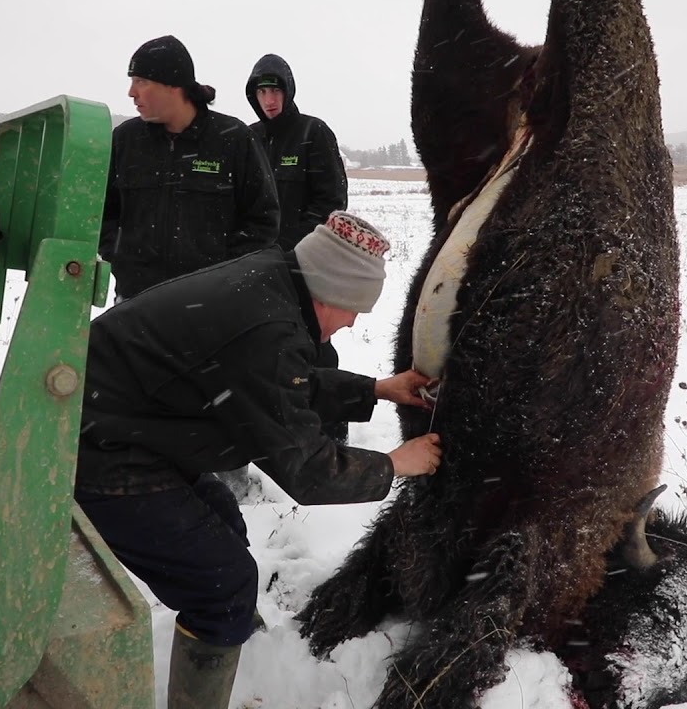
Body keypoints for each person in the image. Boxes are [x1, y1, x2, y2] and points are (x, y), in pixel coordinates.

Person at [75, 211, 441, 709]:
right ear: (330, 292)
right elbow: (307, 470)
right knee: (220, 584)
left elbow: (276, 387)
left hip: (131, 429)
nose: (354, 321)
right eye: (355, 309)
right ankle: (211, 665)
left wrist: (375, 389)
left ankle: (234, 643)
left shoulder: (272, 281)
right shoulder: (267, 329)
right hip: (100, 451)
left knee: (222, 526)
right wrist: (396, 463)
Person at [100, 35, 280, 302]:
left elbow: (263, 220)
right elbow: (102, 212)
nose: (132, 92)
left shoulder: (233, 139)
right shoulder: (126, 140)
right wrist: (121, 254)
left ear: (173, 86)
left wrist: (222, 273)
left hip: (210, 307)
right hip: (134, 304)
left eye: (141, 82)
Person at [245, 54, 352, 443]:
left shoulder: (313, 133)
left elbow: (332, 202)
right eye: (261, 92)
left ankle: (332, 428)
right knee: (267, 348)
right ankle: (281, 425)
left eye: (274, 90)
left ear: (288, 92)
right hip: (258, 266)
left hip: (305, 265)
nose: (268, 99)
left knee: (315, 347)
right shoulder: (250, 138)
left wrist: (293, 249)